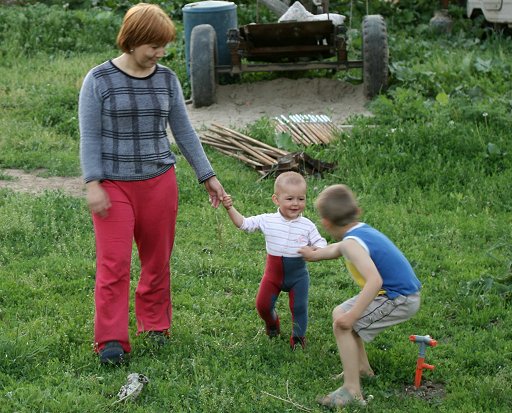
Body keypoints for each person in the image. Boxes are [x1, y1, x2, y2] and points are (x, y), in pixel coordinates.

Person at [78, 3, 225, 365]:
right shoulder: (98, 80)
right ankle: (111, 339)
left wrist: (208, 176)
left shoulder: (167, 79)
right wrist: (93, 182)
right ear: (132, 40)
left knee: (157, 260)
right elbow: (90, 136)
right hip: (114, 184)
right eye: (153, 46)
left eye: (163, 46)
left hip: (159, 181)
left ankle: (155, 324)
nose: (160, 53)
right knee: (113, 264)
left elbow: (185, 132)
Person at [299, 184, 421, 408]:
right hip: (396, 293)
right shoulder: (357, 232)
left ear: (326, 223)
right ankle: (362, 369)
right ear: (356, 211)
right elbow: (336, 249)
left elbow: (375, 281)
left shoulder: (352, 244)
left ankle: (352, 390)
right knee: (340, 313)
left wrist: (353, 315)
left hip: (399, 298)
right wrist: (314, 254)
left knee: (343, 324)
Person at [221, 171, 327, 350]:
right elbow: (243, 224)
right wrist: (230, 208)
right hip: (273, 275)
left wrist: (315, 250)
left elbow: (321, 243)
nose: (295, 204)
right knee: (262, 305)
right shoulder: (267, 220)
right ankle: (272, 323)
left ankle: (298, 338)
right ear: (276, 200)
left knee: (299, 307)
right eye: (290, 199)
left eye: (301, 199)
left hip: (298, 277)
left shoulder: (307, 225)